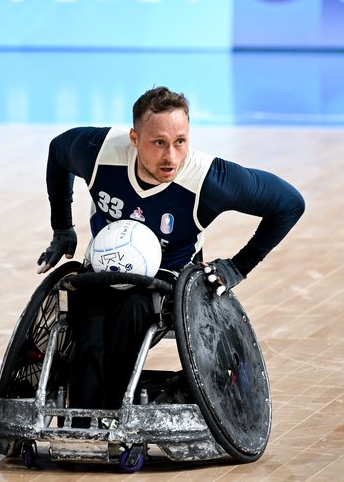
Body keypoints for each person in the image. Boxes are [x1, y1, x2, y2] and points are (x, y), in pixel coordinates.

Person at [35, 86, 304, 416]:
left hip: (167, 275)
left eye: (180, 142)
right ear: (134, 139)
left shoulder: (207, 179)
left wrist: (239, 266)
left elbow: (289, 203)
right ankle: (81, 419)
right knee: (88, 325)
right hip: (104, 267)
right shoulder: (100, 151)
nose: (171, 156)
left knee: (131, 310)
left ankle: (113, 412)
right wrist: (62, 227)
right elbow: (57, 151)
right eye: (159, 143)